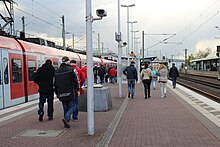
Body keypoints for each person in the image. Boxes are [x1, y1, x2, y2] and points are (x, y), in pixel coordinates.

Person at [54, 56, 79, 128]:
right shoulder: (71, 70)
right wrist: (77, 89)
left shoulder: (57, 71)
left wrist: (56, 93)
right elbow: (76, 80)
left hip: (61, 92)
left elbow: (55, 83)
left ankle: (66, 122)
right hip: (71, 91)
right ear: (68, 62)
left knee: (65, 107)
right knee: (73, 105)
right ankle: (67, 118)